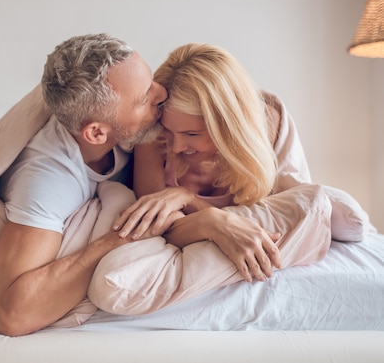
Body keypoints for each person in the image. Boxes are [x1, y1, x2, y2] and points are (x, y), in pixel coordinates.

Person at [0, 33, 168, 336]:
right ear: (97, 134)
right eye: (144, 98)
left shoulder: (129, 122)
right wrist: (119, 239)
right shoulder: (47, 179)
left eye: (151, 81)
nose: (162, 92)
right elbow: (12, 314)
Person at [113, 43, 290, 282]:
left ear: (228, 128)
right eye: (168, 130)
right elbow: (155, 228)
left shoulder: (270, 124)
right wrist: (212, 220)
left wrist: (188, 200)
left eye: (191, 134)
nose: (176, 147)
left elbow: (281, 218)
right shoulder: (153, 136)